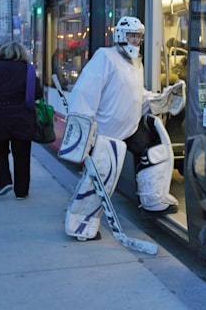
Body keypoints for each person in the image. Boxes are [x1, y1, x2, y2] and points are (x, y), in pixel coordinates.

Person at [63, 16, 184, 213]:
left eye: (138, 36)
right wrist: (81, 135)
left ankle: (152, 200)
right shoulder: (105, 57)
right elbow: (85, 94)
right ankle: (80, 222)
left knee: (155, 151)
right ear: (120, 35)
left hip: (130, 129)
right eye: (132, 35)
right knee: (101, 179)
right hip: (106, 133)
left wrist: (160, 100)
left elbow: (135, 94)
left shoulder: (136, 63)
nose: (135, 40)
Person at [0, 42, 41, 199]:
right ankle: (21, 191)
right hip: (22, 118)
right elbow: (37, 93)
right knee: (22, 155)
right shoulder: (28, 71)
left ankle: (4, 182)